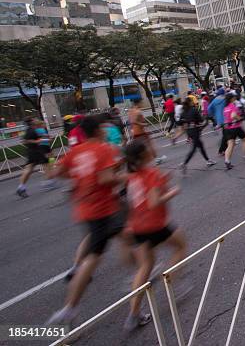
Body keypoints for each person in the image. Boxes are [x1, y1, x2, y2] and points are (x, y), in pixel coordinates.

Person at [46, 115, 125, 326]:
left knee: (125, 234)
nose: (106, 129)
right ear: (98, 130)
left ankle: (143, 270)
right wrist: (124, 177)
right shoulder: (103, 149)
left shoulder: (76, 151)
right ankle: (70, 307)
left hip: (87, 208)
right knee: (95, 257)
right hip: (104, 208)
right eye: (103, 126)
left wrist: (80, 178)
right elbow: (106, 179)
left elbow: (59, 173)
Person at [123, 140, 187, 332]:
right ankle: (170, 283)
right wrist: (173, 191)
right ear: (144, 155)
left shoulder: (132, 175)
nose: (152, 150)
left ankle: (133, 314)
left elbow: (140, 196)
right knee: (181, 246)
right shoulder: (150, 173)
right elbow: (153, 202)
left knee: (144, 267)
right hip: (154, 225)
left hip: (137, 226)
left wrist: (162, 181)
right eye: (148, 149)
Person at [16, 117, 56, 198]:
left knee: (29, 169)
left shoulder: (31, 129)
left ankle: (21, 187)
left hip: (33, 151)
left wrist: (45, 139)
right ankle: (49, 183)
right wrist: (38, 141)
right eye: (33, 120)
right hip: (35, 151)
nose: (35, 120)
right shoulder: (31, 130)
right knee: (47, 164)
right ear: (31, 122)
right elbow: (25, 141)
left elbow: (34, 138)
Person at [178, 98, 215, 173]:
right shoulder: (193, 110)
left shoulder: (183, 112)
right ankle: (184, 164)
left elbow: (179, 122)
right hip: (195, 131)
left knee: (200, 146)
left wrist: (186, 122)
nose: (193, 102)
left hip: (189, 132)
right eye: (192, 101)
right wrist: (204, 119)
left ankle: (208, 160)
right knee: (194, 148)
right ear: (190, 103)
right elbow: (201, 120)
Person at [222, 93, 245, 170]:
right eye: (234, 97)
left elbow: (226, 118)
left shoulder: (225, 108)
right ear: (231, 99)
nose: (235, 98)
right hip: (235, 127)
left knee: (230, 144)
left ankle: (227, 161)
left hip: (228, 128)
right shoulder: (232, 106)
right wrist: (239, 118)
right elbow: (233, 116)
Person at [129, 100, 165, 165]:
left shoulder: (131, 111)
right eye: (141, 103)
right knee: (150, 145)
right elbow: (134, 121)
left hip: (135, 132)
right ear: (138, 103)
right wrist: (144, 124)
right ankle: (156, 159)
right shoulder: (138, 111)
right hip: (141, 132)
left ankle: (138, 162)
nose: (142, 104)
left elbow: (131, 122)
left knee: (139, 148)